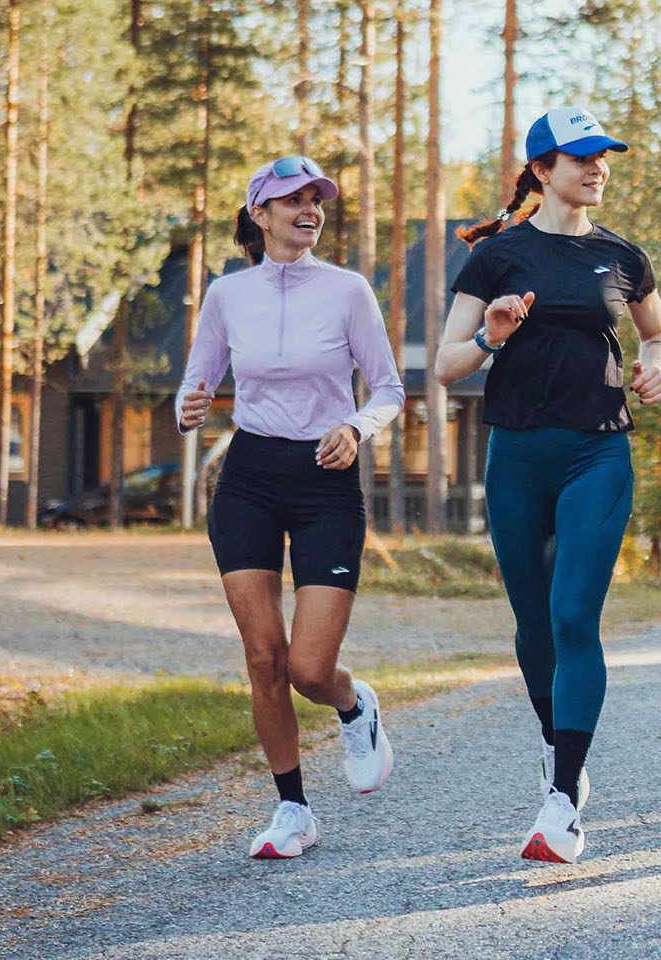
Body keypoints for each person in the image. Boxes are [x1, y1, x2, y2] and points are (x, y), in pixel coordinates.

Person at [435, 106, 661, 864]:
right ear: (542, 171)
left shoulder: (623, 256)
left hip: (598, 452)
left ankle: (564, 797)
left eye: (603, 155)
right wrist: (489, 338)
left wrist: (658, 365)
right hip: (517, 456)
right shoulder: (497, 258)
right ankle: (555, 746)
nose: (597, 167)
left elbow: (657, 331)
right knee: (534, 625)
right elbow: (444, 365)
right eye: (580, 157)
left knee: (574, 615)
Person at [176, 155, 404, 860]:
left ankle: (350, 703)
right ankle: (293, 810)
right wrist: (189, 405)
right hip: (248, 476)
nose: (309, 208)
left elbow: (389, 389)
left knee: (308, 667)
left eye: (316, 199)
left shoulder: (347, 290)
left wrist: (355, 428)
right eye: (292, 199)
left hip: (324, 479)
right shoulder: (226, 295)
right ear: (260, 214)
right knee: (262, 658)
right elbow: (198, 380)